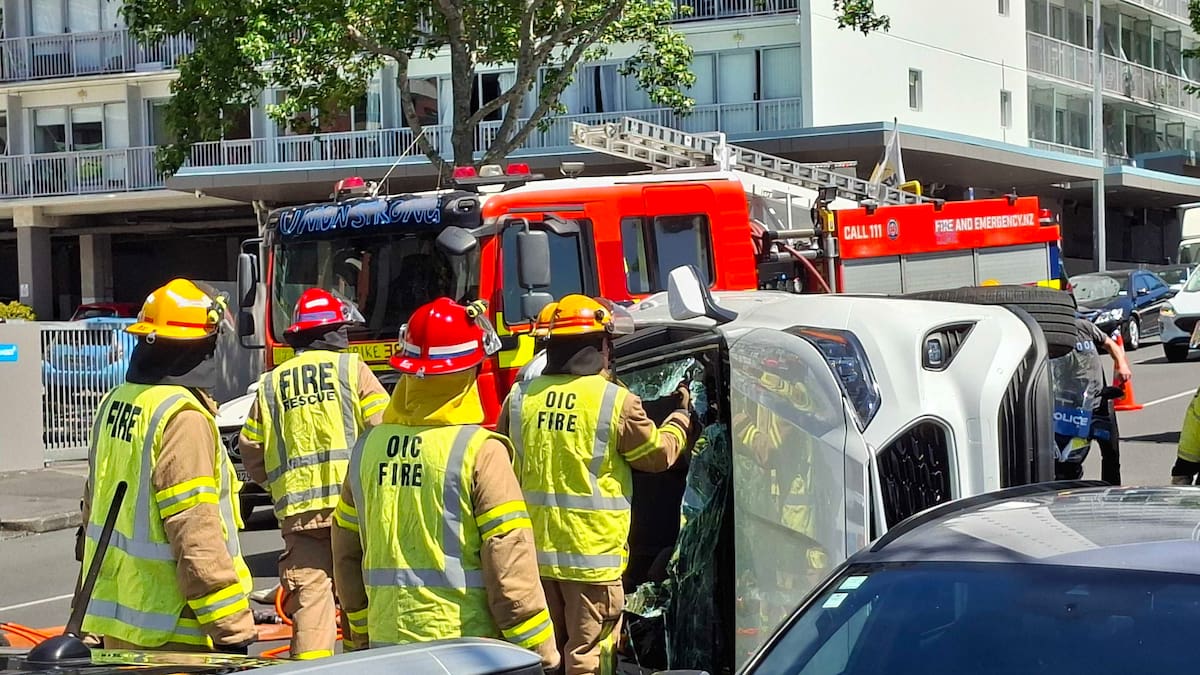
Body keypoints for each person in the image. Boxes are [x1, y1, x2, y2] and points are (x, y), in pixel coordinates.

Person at [331, 297, 559, 670]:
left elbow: (345, 555)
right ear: (470, 370)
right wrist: (540, 653)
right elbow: (510, 569)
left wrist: (360, 637)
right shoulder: (480, 453)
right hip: (467, 654)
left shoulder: (366, 449)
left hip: (387, 652)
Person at [496, 294, 693, 675]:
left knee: (545, 654)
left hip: (533, 556)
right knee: (589, 654)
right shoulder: (615, 401)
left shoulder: (520, 397)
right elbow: (657, 456)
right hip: (591, 561)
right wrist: (681, 418)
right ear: (599, 345)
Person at [78, 279, 256, 652]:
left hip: (119, 628)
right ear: (198, 349)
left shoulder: (117, 402)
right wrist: (232, 630)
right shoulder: (181, 417)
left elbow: (92, 511)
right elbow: (195, 533)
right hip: (175, 633)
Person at [238, 288, 389, 660]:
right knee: (362, 599)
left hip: (299, 517)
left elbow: (251, 449)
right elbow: (383, 430)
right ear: (335, 331)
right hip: (355, 512)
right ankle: (365, 666)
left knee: (311, 610)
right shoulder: (352, 370)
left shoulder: (272, 383)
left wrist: (279, 486)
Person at [1052, 311, 1132, 484]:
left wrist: (1121, 364)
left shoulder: (1084, 327)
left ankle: (1112, 492)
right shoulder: (1053, 336)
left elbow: (1111, 344)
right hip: (1072, 404)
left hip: (1099, 401)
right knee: (1066, 454)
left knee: (1111, 452)